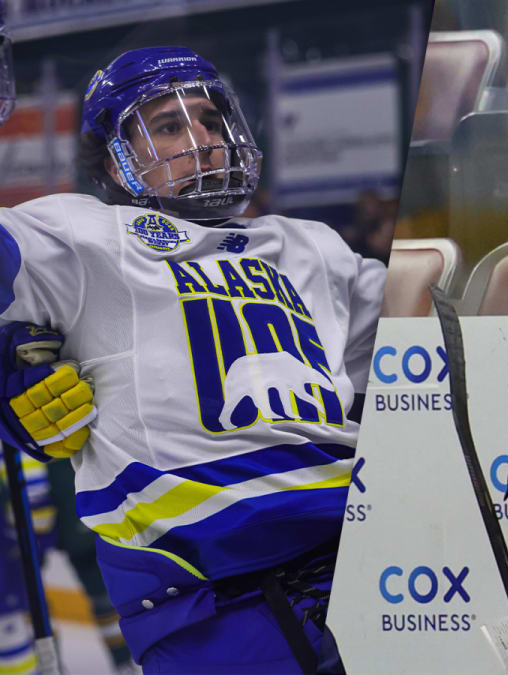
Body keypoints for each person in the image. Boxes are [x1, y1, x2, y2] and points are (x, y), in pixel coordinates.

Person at [0, 46, 383, 672]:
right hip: (213, 603)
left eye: (208, 120)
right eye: (169, 125)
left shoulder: (313, 247)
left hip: (365, 566)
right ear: (115, 164)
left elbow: (430, 354)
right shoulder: (83, 239)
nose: (201, 139)